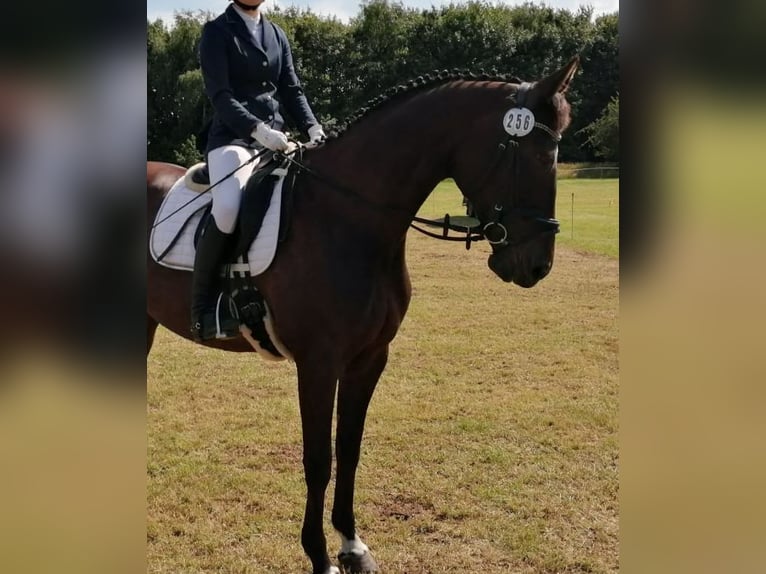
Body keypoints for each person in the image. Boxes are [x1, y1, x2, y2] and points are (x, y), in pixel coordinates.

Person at [192, 0, 325, 342]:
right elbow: (220, 95)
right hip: (233, 139)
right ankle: (203, 307)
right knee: (226, 207)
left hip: (277, 139)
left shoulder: (277, 34)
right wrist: (257, 130)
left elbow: (291, 88)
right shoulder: (217, 33)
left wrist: (312, 128)